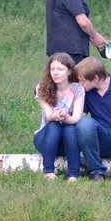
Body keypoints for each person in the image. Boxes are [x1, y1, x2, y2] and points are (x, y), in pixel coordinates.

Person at [33, 53, 85, 181]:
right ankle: (48, 171)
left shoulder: (78, 89)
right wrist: (55, 115)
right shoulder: (42, 88)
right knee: (54, 125)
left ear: (69, 71)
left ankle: (74, 174)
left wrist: (66, 116)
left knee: (70, 127)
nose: (55, 73)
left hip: (69, 140)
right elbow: (49, 116)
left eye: (60, 69)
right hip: (46, 139)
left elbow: (76, 117)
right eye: (52, 69)